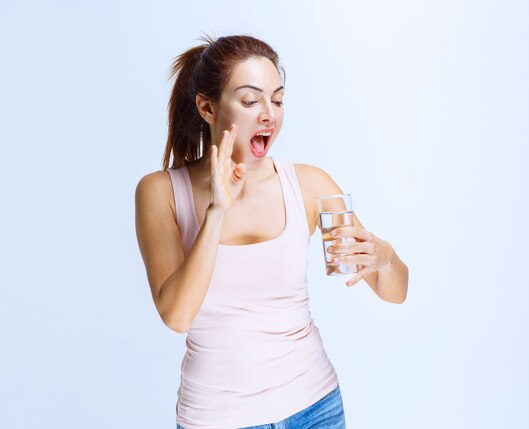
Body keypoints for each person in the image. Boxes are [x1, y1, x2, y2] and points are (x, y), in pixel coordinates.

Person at [134, 34, 409, 429]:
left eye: (277, 100)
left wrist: (385, 256)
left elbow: (394, 291)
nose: (269, 115)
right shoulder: (161, 192)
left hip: (317, 407)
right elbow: (177, 315)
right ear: (207, 107)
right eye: (250, 101)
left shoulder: (310, 185)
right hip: (218, 419)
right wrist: (216, 213)